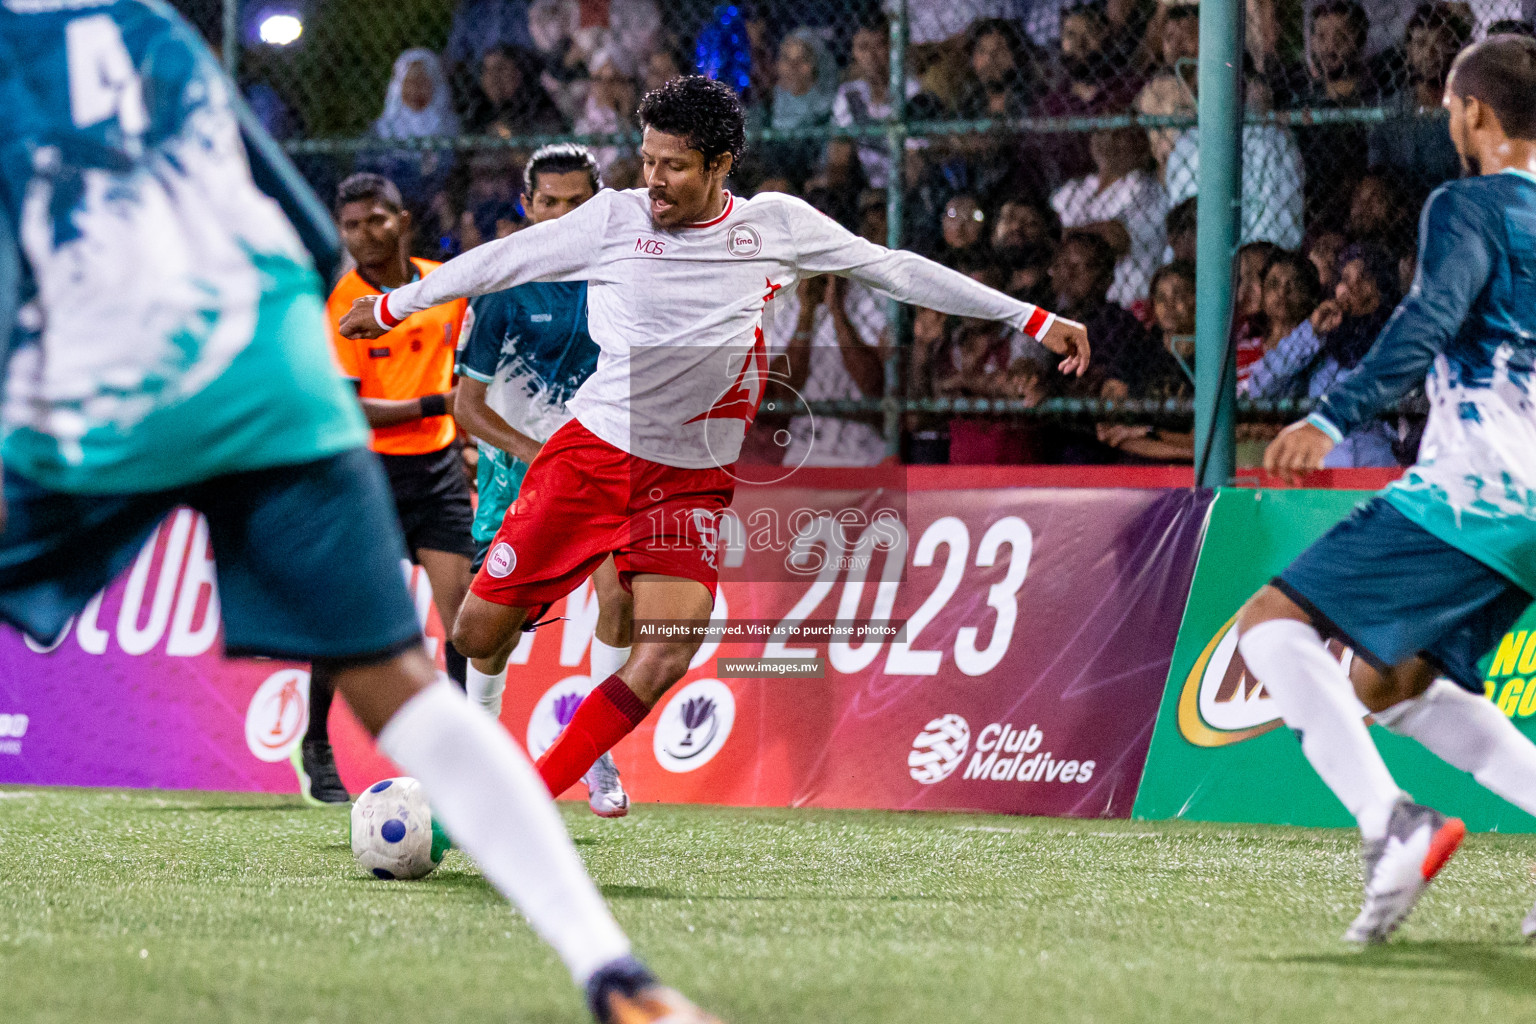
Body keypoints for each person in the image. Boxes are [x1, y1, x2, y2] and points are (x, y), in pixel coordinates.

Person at [0, 5, 715, 1022]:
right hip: (272, 370)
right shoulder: (148, 24)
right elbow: (295, 223)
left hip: (102, 379)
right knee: (411, 688)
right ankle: (618, 974)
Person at [339, 75, 1091, 808]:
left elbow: (891, 269)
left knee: (667, 649)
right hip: (593, 456)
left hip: (691, 480)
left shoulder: (775, 227)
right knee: (474, 635)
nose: (654, 180)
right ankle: (488, 744)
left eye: (673, 165)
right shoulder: (615, 219)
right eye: (647, 160)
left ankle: (519, 807)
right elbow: (500, 260)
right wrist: (396, 304)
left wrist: (1027, 317)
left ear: (720, 164)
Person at [1240, 35, 1536, 944]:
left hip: (1481, 491)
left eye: (1451, 108)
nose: (1449, 123)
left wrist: (1330, 416)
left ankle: (1391, 826)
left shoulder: (1471, 204)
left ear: (1474, 114)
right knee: (1388, 678)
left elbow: (1430, 317)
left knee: (1268, 626)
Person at [451, 144, 631, 819]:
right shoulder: (500, 287)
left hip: (606, 466)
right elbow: (465, 407)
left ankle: (595, 752)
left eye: (576, 204)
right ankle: (484, 754)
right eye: (549, 203)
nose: (560, 216)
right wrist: (536, 452)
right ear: (527, 208)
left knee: (621, 595)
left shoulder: (624, 282)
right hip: (518, 475)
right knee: (491, 630)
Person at [1051, 126, 1168, 306]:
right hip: (1065, 301)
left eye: (1120, 132)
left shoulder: (1146, 187)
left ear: (1142, 143)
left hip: (1125, 304)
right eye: (1102, 130)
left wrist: (1062, 234)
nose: (1109, 138)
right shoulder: (1076, 187)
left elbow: (1115, 238)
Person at [1369, 4, 1472, 192]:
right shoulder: (1392, 106)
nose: (1430, 54)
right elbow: (1377, 160)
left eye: (1439, 44)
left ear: (1454, 49)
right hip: (1399, 196)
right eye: (1421, 44)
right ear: (1409, 51)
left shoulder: (1465, 106)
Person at [832, 15, 923, 189]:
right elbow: (838, 156)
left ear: (892, 48)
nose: (872, 56)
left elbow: (913, 160)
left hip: (904, 187)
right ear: (854, 53)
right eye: (863, 47)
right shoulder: (849, 94)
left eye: (879, 45)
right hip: (865, 185)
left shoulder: (912, 92)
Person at [465, 44, 567, 138]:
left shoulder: (541, 41)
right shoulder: (546, 115)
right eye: (502, 87)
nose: (507, 77)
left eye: (500, 68)